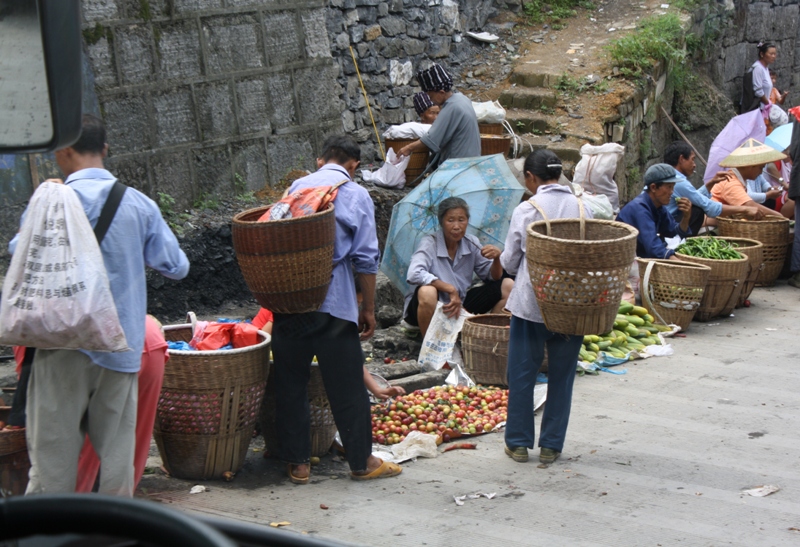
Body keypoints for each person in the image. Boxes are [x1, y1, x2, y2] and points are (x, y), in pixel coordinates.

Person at [9, 114, 189, 496]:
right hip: (119, 348)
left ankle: (47, 535)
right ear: (105, 150)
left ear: (63, 151)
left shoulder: (49, 202)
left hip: (59, 349)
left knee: (52, 468)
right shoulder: (139, 205)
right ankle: (114, 532)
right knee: (117, 467)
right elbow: (176, 267)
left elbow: (18, 254)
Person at [271, 135, 401, 485]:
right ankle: (362, 462)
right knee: (346, 388)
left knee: (291, 382)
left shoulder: (297, 186)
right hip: (334, 303)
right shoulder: (356, 194)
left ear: (320, 160)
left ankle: (298, 464)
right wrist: (369, 308)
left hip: (290, 300)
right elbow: (365, 259)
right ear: (353, 166)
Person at [500, 149, 588, 465]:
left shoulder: (527, 211)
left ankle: (519, 443)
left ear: (530, 178)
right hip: (570, 304)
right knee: (562, 377)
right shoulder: (582, 208)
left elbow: (510, 262)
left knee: (522, 374)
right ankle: (552, 446)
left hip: (531, 305)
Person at [75, 315, 168, 493]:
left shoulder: (20, 317)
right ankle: (120, 511)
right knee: (131, 437)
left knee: (82, 445)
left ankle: (66, 510)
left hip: (105, 346)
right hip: (147, 334)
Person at [404, 197, 513, 337]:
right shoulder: (429, 243)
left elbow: (493, 276)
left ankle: (487, 338)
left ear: (467, 221)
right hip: (432, 306)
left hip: (458, 305)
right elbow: (414, 273)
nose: (456, 226)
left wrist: (497, 258)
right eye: (450, 220)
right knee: (427, 291)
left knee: (507, 285)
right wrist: (450, 289)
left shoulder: (471, 242)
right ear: (442, 222)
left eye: (461, 220)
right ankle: (429, 348)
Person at [252, 306, 403, 400]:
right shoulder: (289, 307)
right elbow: (260, 343)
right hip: (261, 355)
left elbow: (349, 356)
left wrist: (376, 389)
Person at [663, 141, 761, 234]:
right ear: (681, 159)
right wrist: (745, 209)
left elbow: (693, 196)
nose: (694, 165)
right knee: (697, 211)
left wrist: (711, 183)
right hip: (664, 225)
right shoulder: (678, 181)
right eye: (692, 159)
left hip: (665, 222)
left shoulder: (668, 175)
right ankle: (681, 241)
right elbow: (709, 207)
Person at [398, 64, 480, 165]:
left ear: (441, 92)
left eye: (431, 96)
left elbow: (431, 139)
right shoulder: (463, 99)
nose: (431, 100)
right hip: (473, 160)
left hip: (459, 164)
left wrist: (408, 148)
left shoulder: (452, 107)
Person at [616, 164, 693, 260]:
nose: (672, 192)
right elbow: (653, 247)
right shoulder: (640, 209)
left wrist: (686, 217)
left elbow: (673, 232)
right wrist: (683, 265)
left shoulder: (659, 207)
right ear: (653, 187)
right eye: (669, 187)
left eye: (673, 187)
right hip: (625, 260)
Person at [709, 139, 787, 219]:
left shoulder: (738, 179)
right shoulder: (731, 182)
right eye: (760, 168)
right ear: (750, 166)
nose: (760, 173)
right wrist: (780, 216)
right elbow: (749, 205)